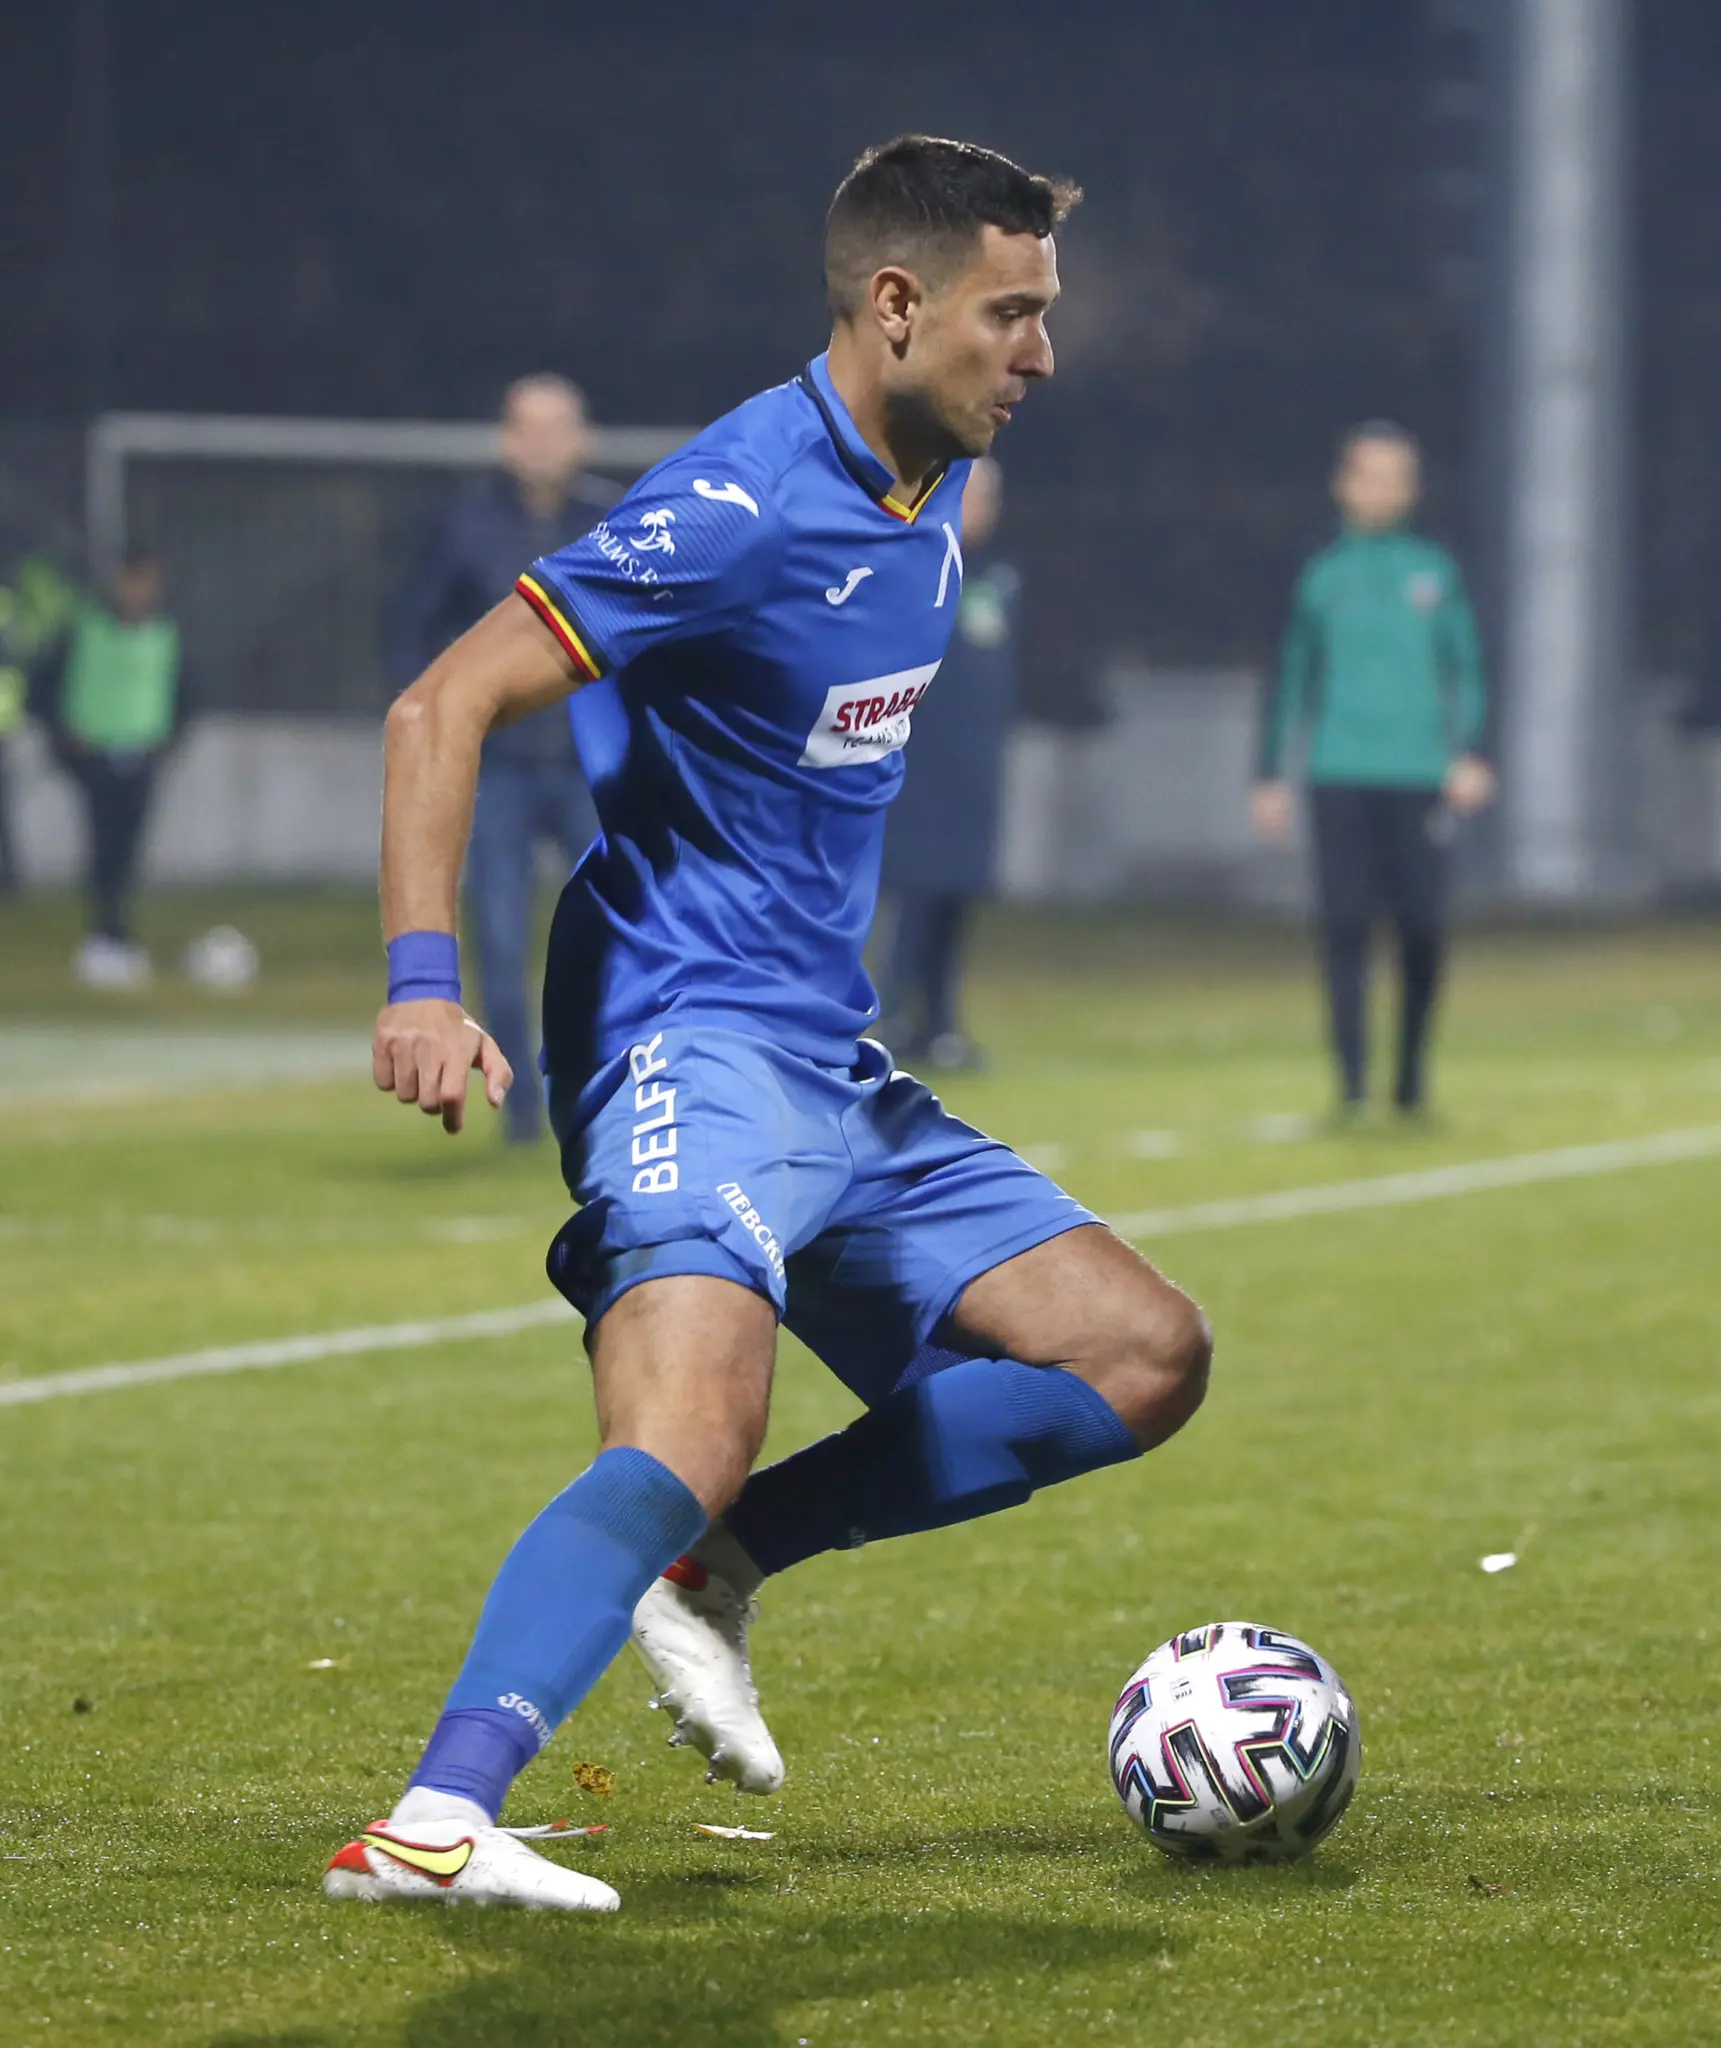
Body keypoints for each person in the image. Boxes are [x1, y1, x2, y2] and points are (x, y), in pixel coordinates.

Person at [330, 136, 1212, 1917]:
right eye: (1010, 313)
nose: (1041, 354)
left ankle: (718, 1569)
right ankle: (433, 1821)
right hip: (683, 1040)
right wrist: (427, 982)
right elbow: (441, 704)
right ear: (896, 305)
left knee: (1139, 1353)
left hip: (831, 1064)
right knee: (684, 1424)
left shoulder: (926, 505)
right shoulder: (741, 499)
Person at [388, 375, 616, 1142]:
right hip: (501, 768)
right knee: (500, 936)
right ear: (505, 439)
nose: (543, 443)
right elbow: (414, 632)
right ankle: (521, 1109)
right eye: (529, 427)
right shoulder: (462, 525)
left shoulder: (615, 523)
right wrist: (442, 724)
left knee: (620, 937)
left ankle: (609, 1094)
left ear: (582, 438)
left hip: (592, 769)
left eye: (557, 427)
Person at [1252, 421, 1495, 1119]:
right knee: (1344, 927)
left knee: (1421, 927)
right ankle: (1352, 1087)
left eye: (1395, 477)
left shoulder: (1434, 572)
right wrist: (1270, 773)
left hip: (1418, 775)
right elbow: (1292, 676)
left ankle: (1410, 1081)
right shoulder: (1322, 573)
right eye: (1369, 474)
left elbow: (1467, 668)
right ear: (1343, 484)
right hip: (1339, 772)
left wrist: (1469, 751)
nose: (1381, 489)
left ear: (1412, 489)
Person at [877, 456, 1017, 1069]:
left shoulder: (1002, 578)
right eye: (969, 495)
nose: (980, 509)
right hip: (920, 760)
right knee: (916, 892)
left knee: (958, 894)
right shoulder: (912, 569)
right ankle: (890, 1018)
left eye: (988, 498)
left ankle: (941, 1026)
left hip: (975, 763)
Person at [34, 552, 189, 987]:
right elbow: (44, 688)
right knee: (102, 847)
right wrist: (64, 738)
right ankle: (103, 934)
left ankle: (118, 934)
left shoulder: (165, 633)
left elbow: (183, 691)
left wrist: (170, 741)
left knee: (127, 849)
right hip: (95, 758)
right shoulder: (84, 630)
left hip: (141, 758)